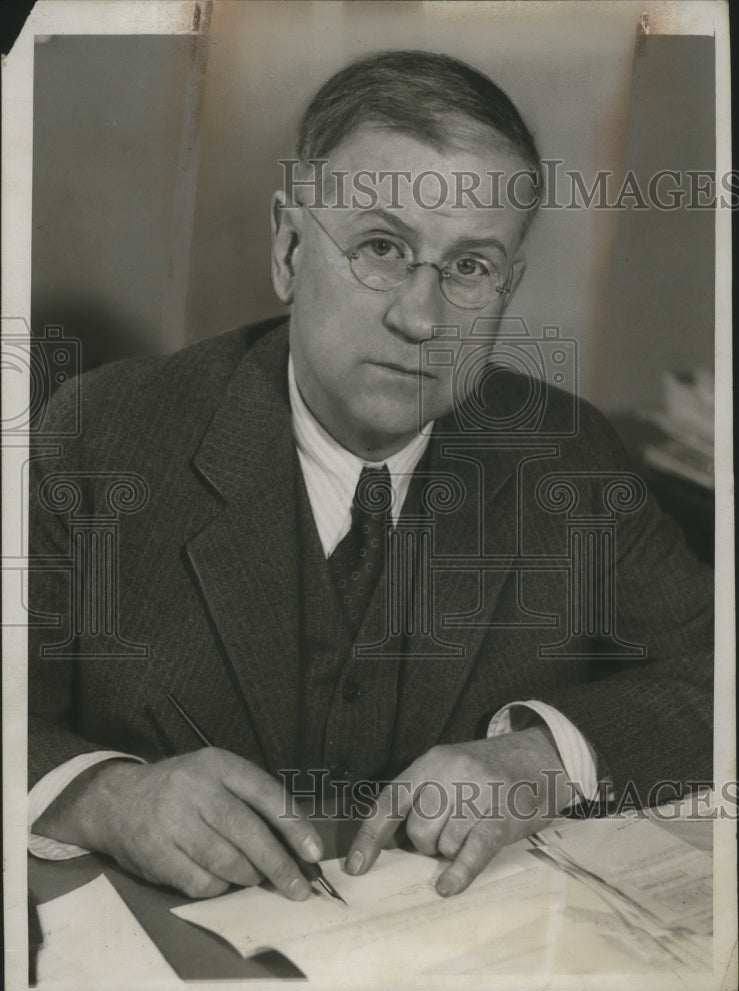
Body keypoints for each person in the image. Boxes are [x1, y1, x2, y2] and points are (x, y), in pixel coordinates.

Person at [28, 50, 712, 903]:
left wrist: (544, 757)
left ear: (507, 287)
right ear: (288, 249)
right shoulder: (102, 436)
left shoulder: (566, 456)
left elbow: (717, 673)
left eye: (469, 268)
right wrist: (105, 797)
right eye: (381, 248)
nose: (421, 319)